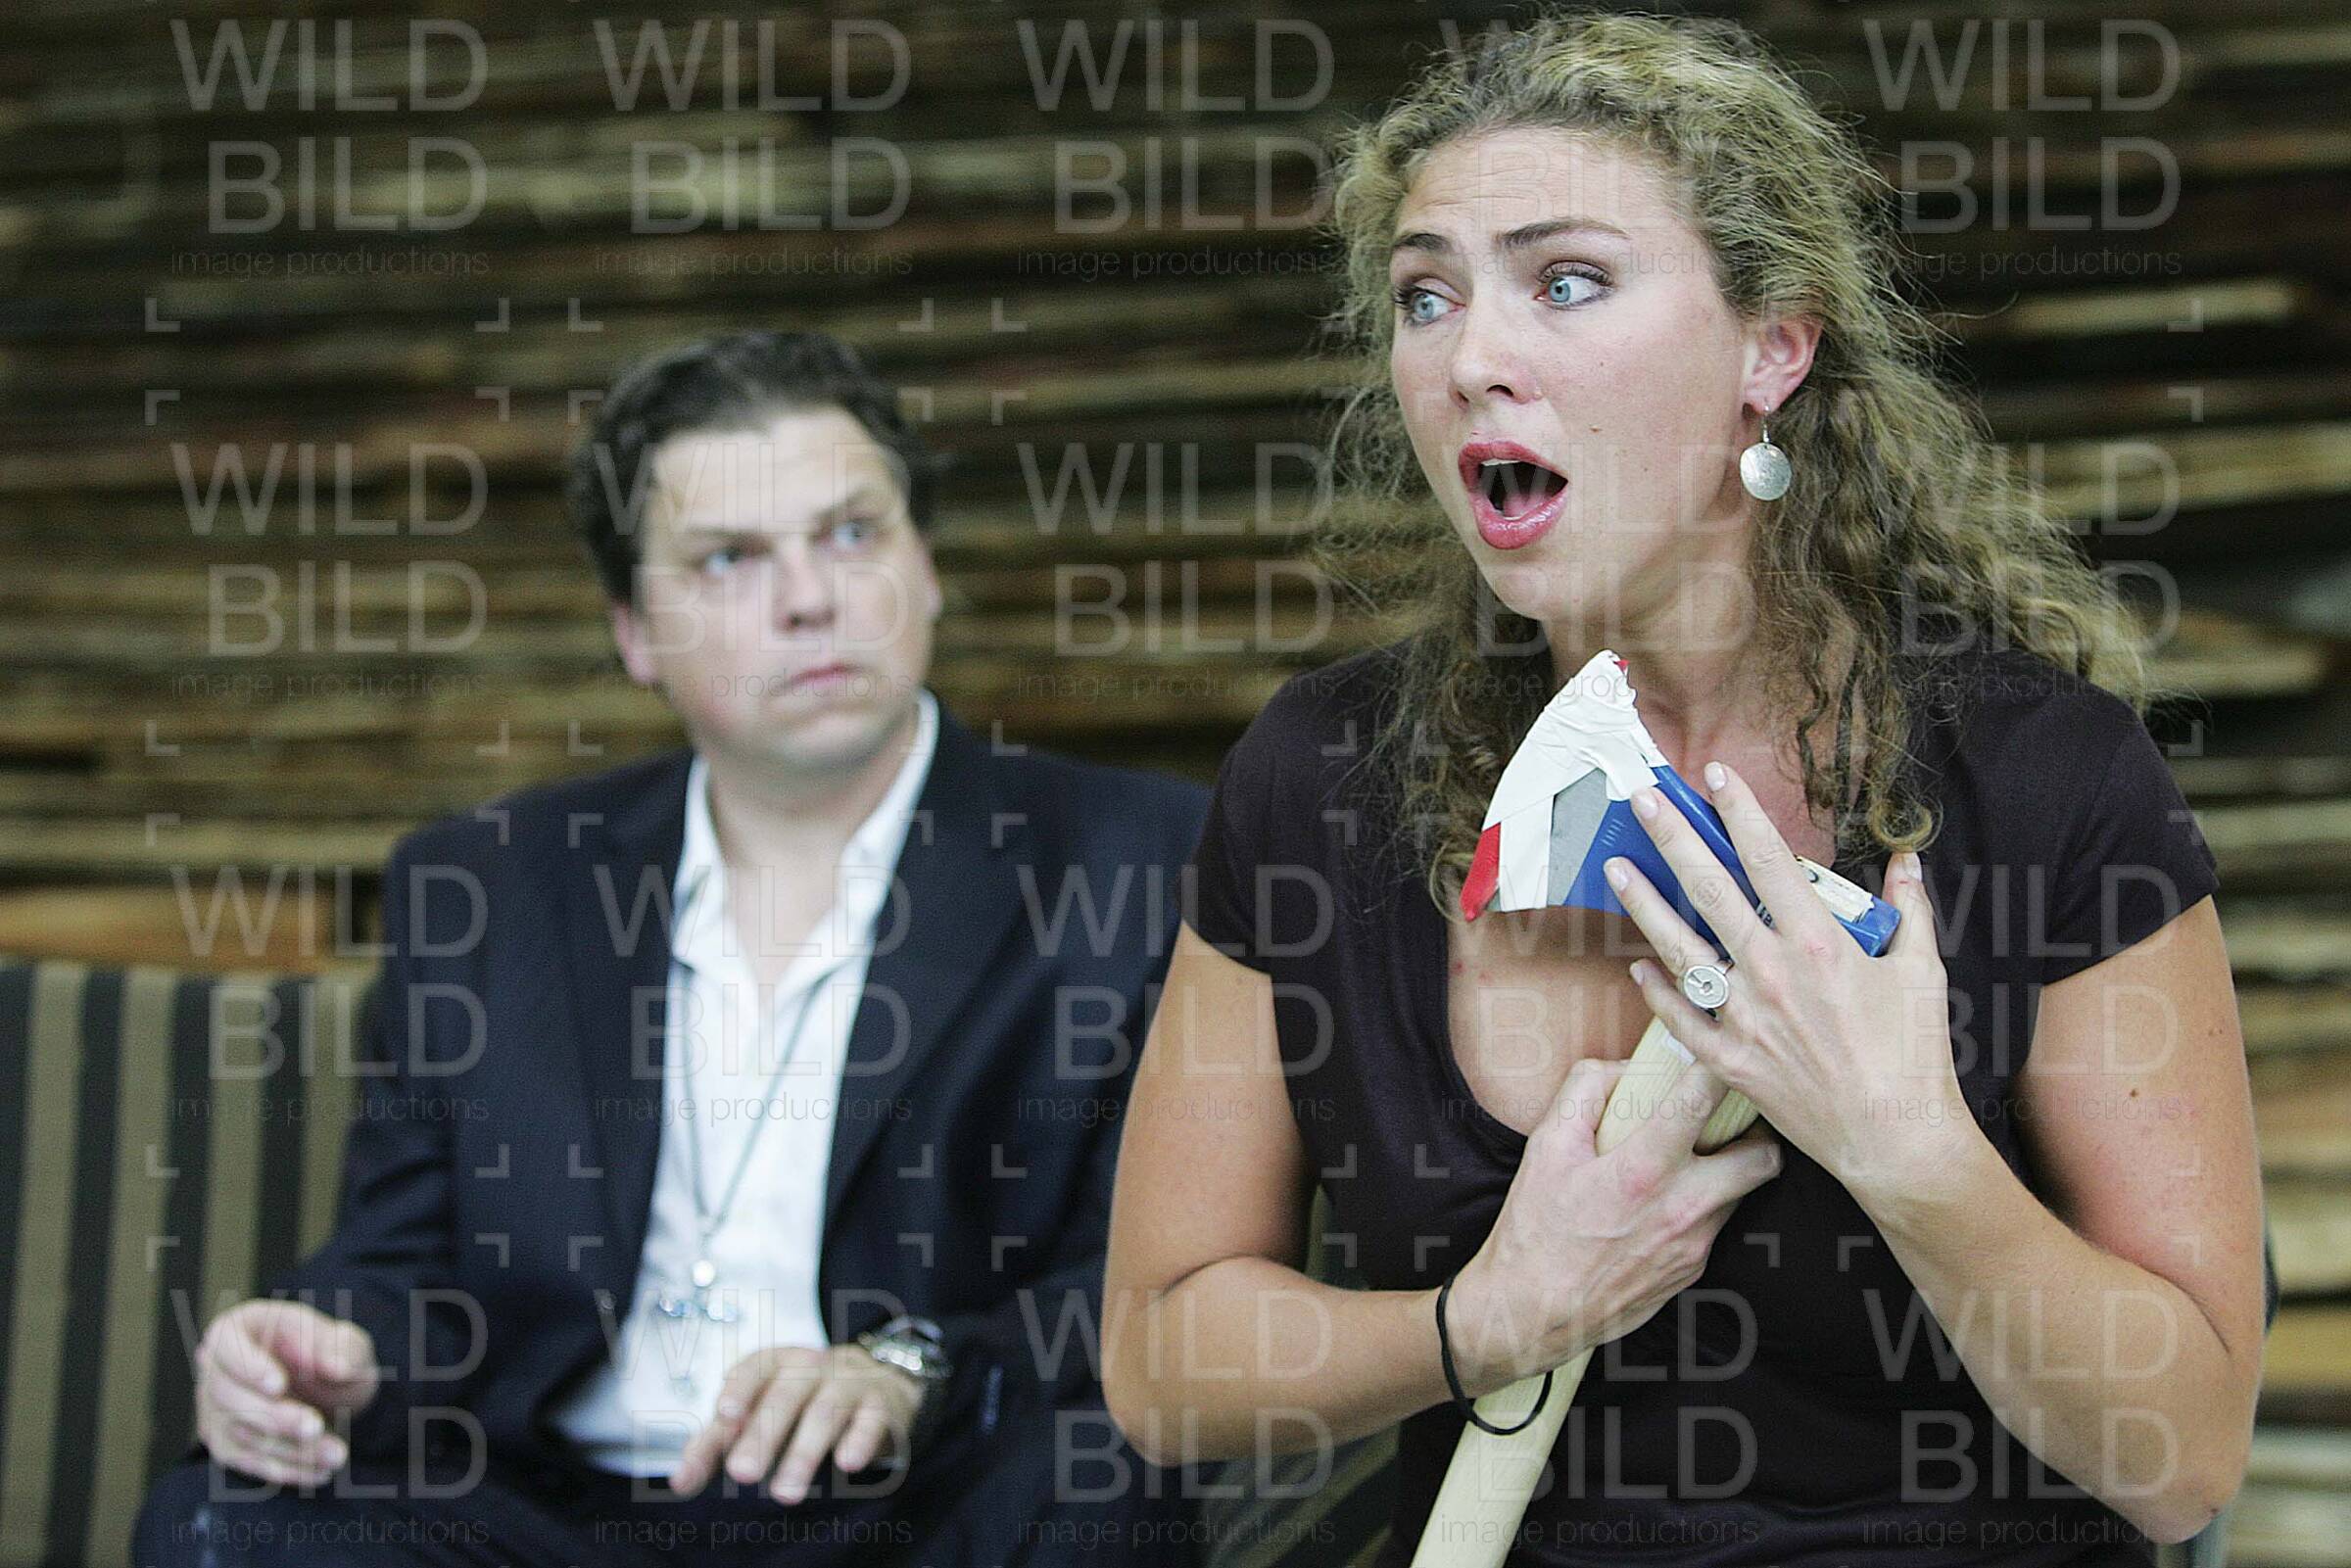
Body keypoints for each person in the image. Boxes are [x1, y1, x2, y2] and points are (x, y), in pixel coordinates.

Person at [1102, 13, 2268, 1567]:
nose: (1471, 357)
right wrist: (1489, 1316)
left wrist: (1908, 1148)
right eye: (1426, 295)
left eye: (1567, 280)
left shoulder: (2047, 781)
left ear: (1771, 350)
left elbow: (2182, 1461)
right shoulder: (1317, 785)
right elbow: (1161, 1366)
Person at [135, 331, 1208, 1566]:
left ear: (925, 565)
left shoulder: (1135, 858)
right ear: (636, 630)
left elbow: (1151, 1278)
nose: (809, 597)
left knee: (1099, 1487)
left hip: (910, 1504)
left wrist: (909, 1364)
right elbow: (403, 1260)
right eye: (729, 558)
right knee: (226, 1511)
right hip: (547, 1516)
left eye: (852, 532)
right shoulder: (488, 883)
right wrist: (326, 1348)